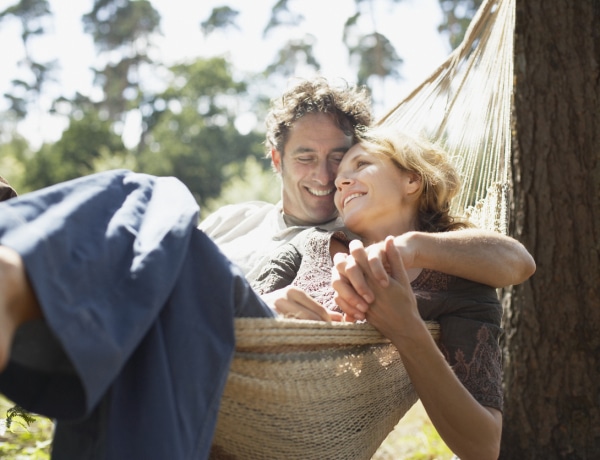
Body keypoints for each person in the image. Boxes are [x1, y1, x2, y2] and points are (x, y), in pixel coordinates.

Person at [253, 127, 532, 459]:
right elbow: (225, 312)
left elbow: (483, 446)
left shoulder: (459, 285)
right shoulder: (308, 244)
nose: (340, 183)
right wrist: (265, 305)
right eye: (340, 178)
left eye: (361, 165)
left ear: (411, 181)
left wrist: (407, 328)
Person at [201, 76, 535, 289]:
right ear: (277, 160)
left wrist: (411, 247)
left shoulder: (362, 234)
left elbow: (513, 262)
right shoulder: (231, 220)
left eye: (338, 159)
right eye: (305, 158)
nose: (325, 176)